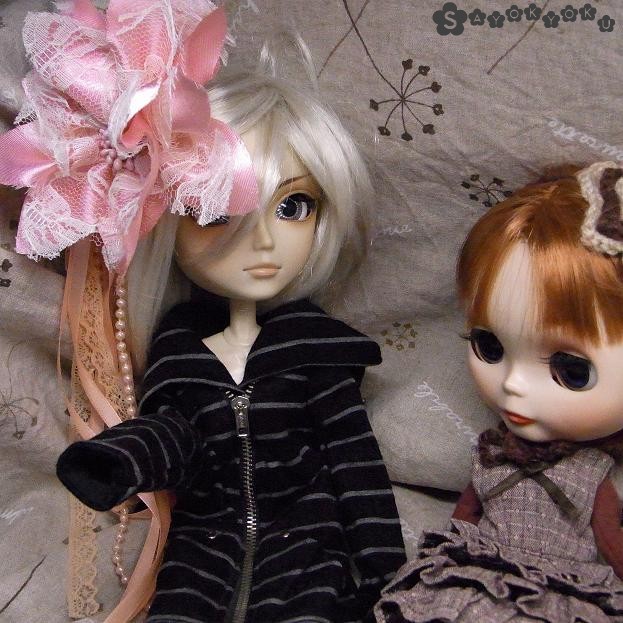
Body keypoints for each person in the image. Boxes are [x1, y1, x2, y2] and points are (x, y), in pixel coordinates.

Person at [35, 6, 407, 623]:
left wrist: (384, 572)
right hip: (202, 537)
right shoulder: (180, 356)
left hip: (308, 538)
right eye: (216, 213)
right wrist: (120, 459)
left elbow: (354, 464)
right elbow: (177, 438)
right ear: (161, 221)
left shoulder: (316, 355)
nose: (262, 242)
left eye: (293, 207)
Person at [375, 163, 623, 623]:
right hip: (477, 569)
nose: (513, 385)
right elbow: (464, 518)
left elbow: (610, 540)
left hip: (558, 584)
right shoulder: (492, 454)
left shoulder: (591, 472)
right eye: (489, 346)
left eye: (572, 371)